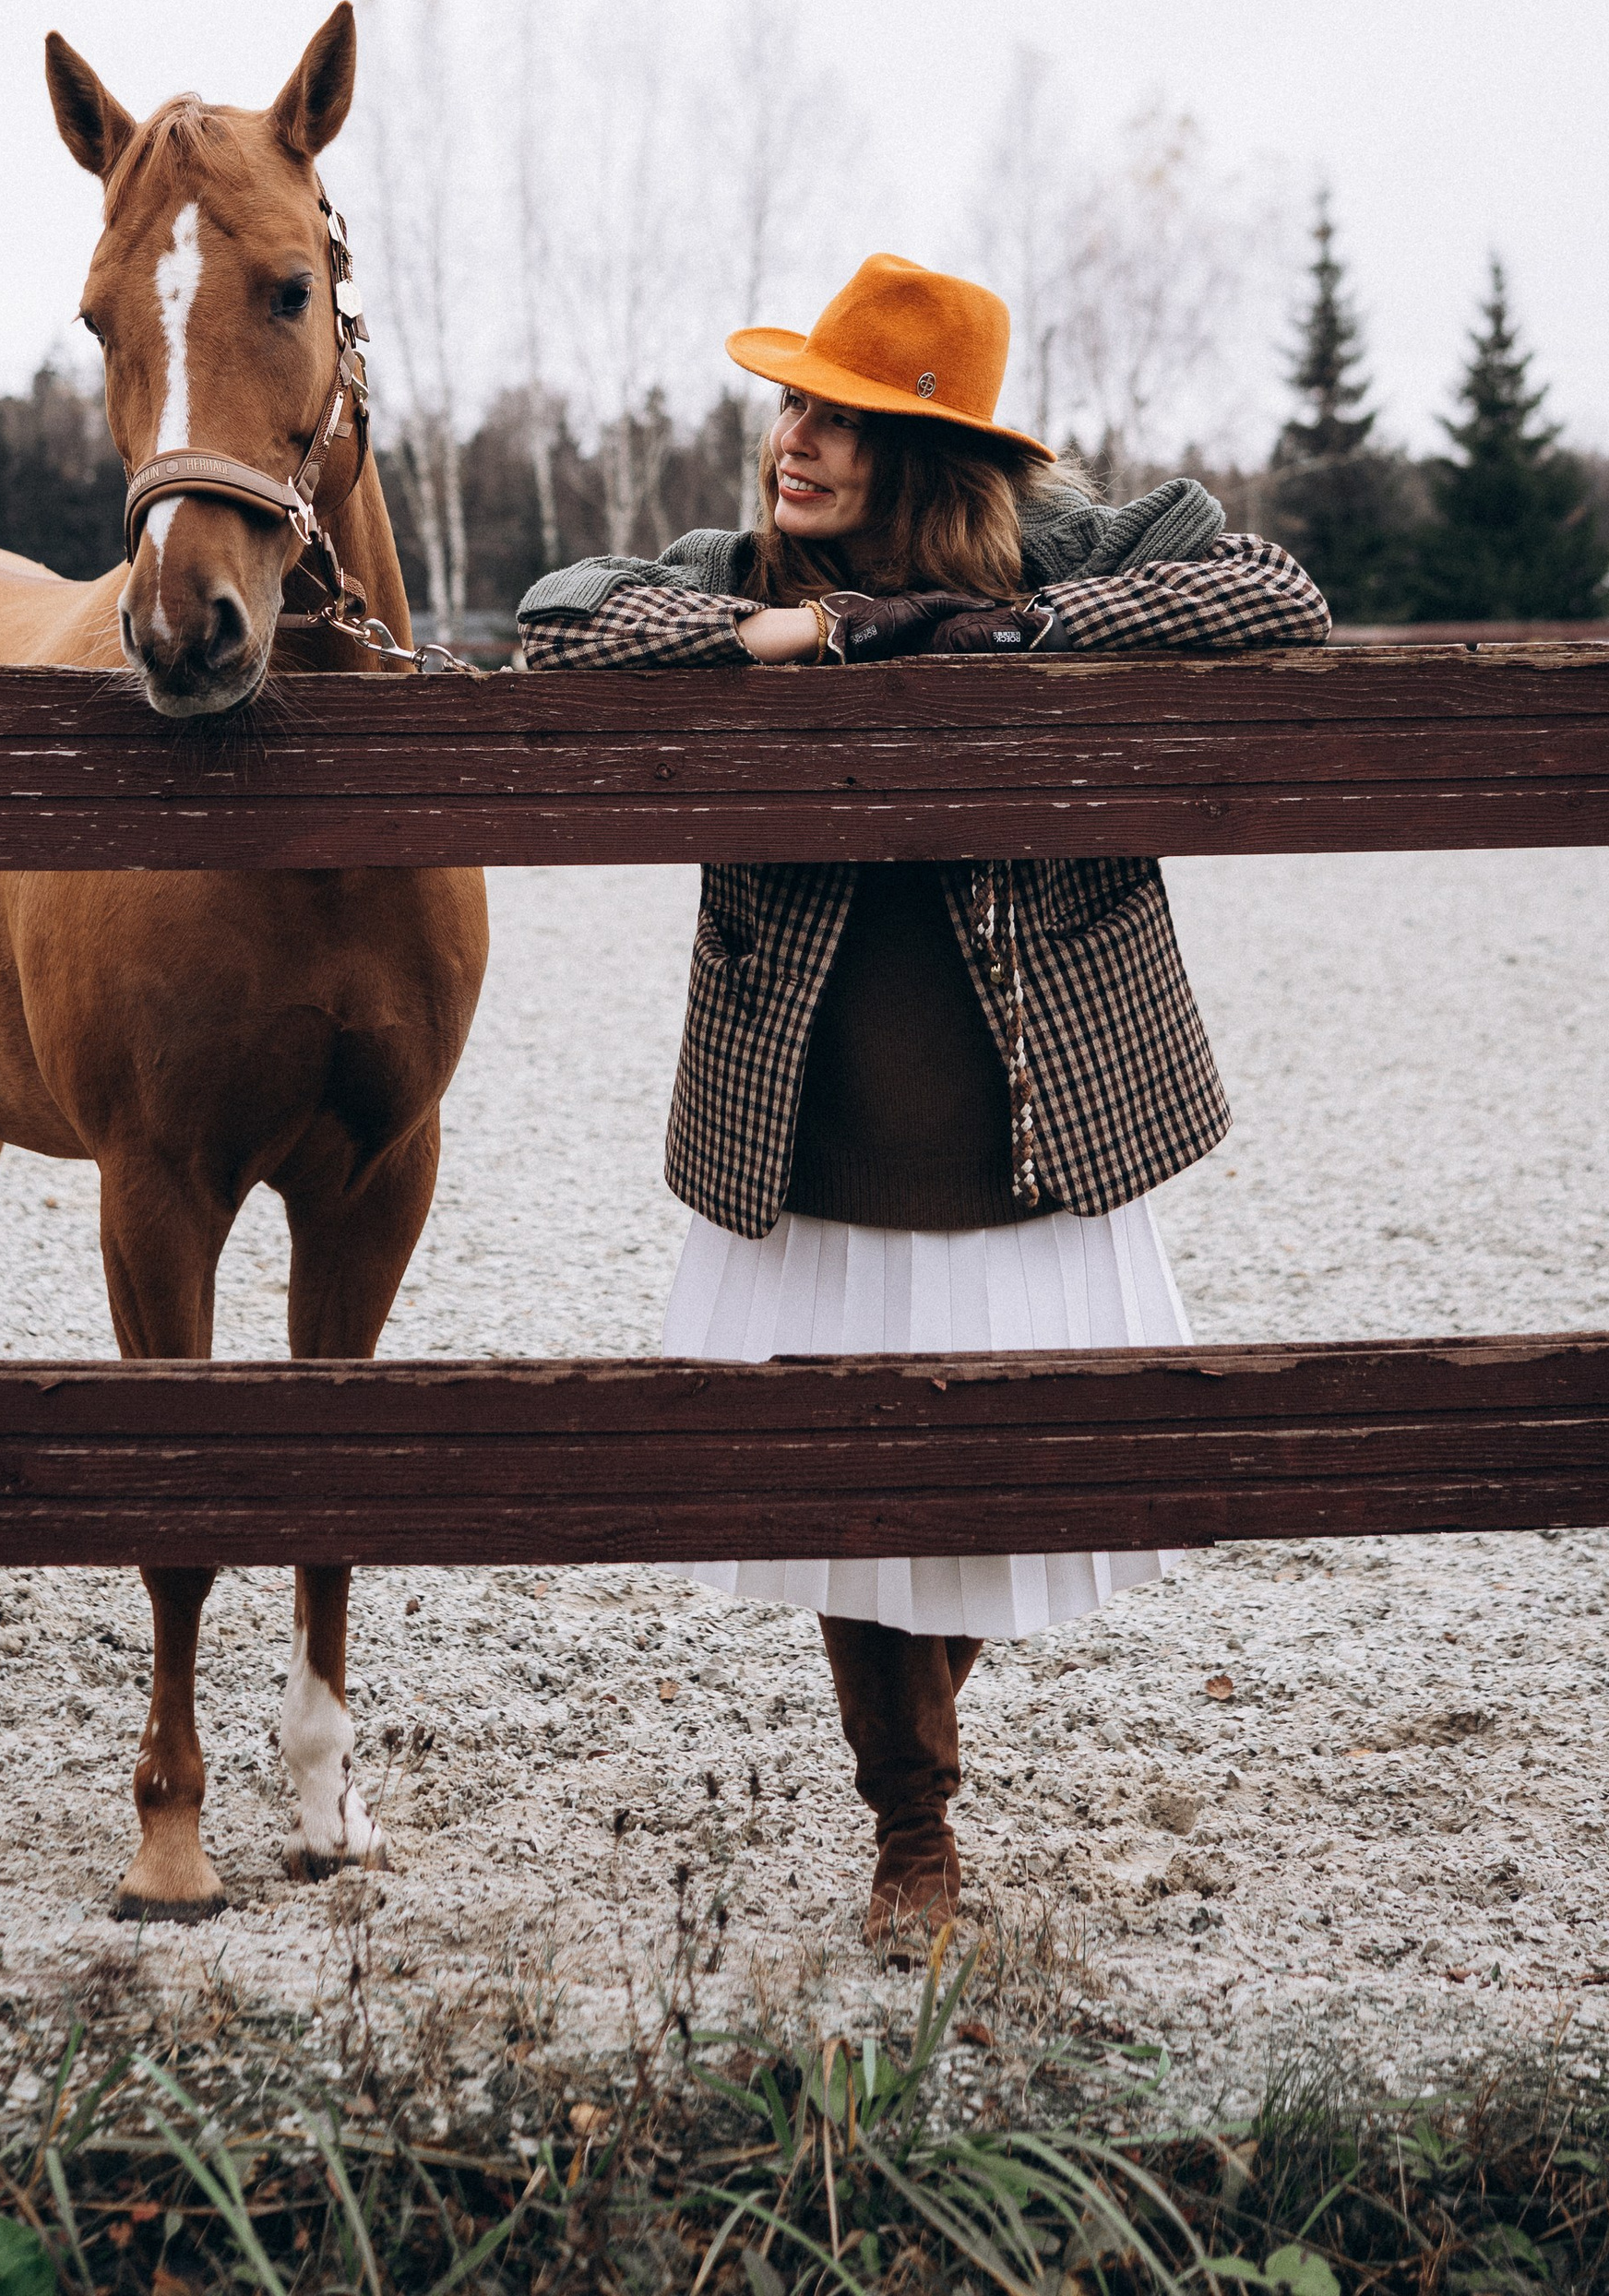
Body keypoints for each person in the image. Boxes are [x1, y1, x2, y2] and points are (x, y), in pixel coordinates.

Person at [515, 253, 1329, 1951]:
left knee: (1001, 1485)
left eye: (838, 415)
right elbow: (562, 615)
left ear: (932, 449)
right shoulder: (736, 572)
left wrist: (998, 633)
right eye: (791, 403)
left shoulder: (1080, 554)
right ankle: (915, 1834)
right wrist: (788, 632)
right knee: (840, 1499)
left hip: (1042, 1119)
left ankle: (921, 1773)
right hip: (806, 1131)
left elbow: (1277, 599)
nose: (789, 437)